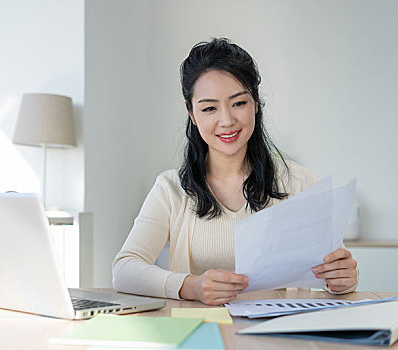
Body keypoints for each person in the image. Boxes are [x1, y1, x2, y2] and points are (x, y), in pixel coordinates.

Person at [112, 38, 358, 305]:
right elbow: (124, 269)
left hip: (277, 339)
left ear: (255, 100)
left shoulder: (300, 183)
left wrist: (343, 280)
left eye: (239, 103)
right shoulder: (171, 188)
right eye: (209, 108)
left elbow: (337, 276)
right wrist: (190, 286)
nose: (227, 120)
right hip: (198, 336)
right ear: (192, 113)